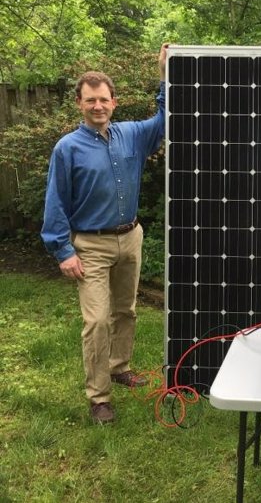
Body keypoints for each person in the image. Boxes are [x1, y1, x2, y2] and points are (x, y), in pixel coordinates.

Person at [41, 43, 169, 424]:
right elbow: (56, 202)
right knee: (97, 321)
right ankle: (99, 397)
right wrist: (62, 250)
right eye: (89, 100)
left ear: (114, 102)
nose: (97, 106)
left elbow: (164, 120)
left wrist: (163, 74)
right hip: (90, 245)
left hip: (130, 237)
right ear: (80, 105)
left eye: (103, 99)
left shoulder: (132, 135)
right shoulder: (67, 149)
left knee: (125, 310)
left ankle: (120, 366)